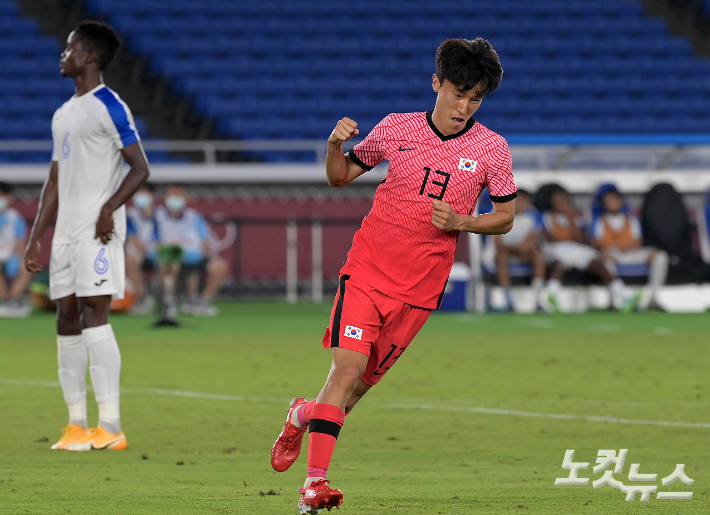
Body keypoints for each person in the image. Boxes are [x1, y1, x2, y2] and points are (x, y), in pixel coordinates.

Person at [270, 38, 516, 514]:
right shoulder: (395, 128)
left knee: (352, 394)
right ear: (436, 84)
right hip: (366, 274)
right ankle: (314, 486)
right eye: (457, 92)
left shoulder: (492, 149)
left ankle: (300, 415)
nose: (464, 106)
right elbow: (340, 176)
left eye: (475, 98)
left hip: (420, 292)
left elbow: (505, 216)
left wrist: (464, 221)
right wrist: (333, 144)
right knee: (346, 371)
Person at [24, 21, 149, 451]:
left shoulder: (108, 106)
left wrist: (108, 210)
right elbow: (54, 180)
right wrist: (36, 235)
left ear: (90, 56)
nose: (64, 54)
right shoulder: (64, 113)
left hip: (98, 232)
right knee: (65, 317)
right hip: (65, 236)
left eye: (70, 47)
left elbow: (140, 167)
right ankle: (76, 424)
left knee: (97, 314)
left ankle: (111, 425)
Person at [540, 185, 638, 312]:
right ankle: (552, 294)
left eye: (564, 199)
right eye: (558, 200)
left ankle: (622, 294)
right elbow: (550, 238)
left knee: (597, 263)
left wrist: (570, 218)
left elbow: (579, 239)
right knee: (559, 263)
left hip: (574, 249)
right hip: (554, 249)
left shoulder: (575, 217)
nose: (562, 203)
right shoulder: (546, 216)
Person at [590, 184, 668, 310]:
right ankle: (615, 301)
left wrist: (620, 245)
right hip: (613, 255)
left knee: (660, 256)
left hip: (632, 253)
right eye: (607, 201)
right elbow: (599, 243)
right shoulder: (600, 221)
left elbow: (637, 242)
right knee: (606, 259)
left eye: (613, 200)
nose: (611, 203)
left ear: (620, 201)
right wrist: (619, 246)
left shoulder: (631, 219)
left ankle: (653, 298)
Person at [154, 184, 227, 317]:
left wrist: (203, 248)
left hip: (194, 256)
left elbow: (205, 241)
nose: (175, 198)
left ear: (185, 198)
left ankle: (202, 301)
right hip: (170, 256)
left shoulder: (193, 216)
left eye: (178, 195)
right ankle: (170, 301)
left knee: (219, 266)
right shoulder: (158, 216)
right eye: (172, 195)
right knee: (173, 262)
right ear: (165, 198)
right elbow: (153, 240)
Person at [493, 189, 545, 311]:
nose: (519, 203)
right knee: (502, 256)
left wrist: (522, 250)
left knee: (537, 255)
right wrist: (517, 249)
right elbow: (498, 243)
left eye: (523, 201)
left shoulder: (533, 216)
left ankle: (538, 299)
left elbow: (531, 241)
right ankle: (508, 300)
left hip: (523, 253)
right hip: (502, 253)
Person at [0, 182, 33, 317]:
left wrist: (19, 260)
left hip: (9, 256)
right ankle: (3, 300)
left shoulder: (15, 218)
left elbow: (20, 244)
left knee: (27, 266)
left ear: (9, 197)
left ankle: (12, 300)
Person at [125, 183, 159, 314]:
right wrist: (145, 249)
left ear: (152, 195)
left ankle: (168, 298)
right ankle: (142, 297)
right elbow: (133, 238)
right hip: (140, 252)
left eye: (144, 193)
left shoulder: (160, 214)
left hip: (158, 252)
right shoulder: (131, 215)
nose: (141, 196)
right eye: (138, 193)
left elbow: (163, 236)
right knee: (131, 259)